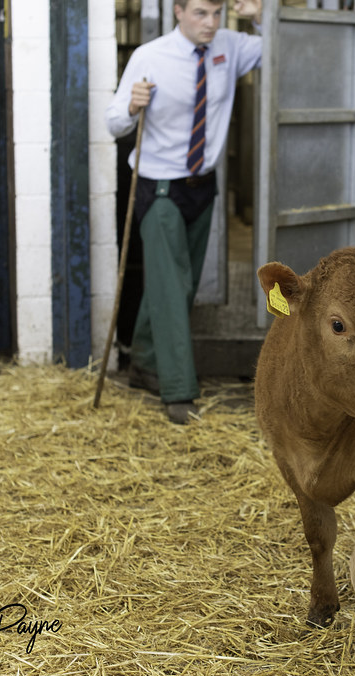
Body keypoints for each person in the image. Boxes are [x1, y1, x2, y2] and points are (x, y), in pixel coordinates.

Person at [105, 0, 262, 425]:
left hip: (202, 186)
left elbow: (280, 48)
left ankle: (143, 361)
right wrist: (132, 106)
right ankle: (178, 390)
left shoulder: (230, 45)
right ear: (177, 11)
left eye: (216, 13)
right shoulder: (149, 56)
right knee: (172, 286)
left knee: (179, 282)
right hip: (158, 189)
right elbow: (114, 122)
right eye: (199, 14)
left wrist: (259, 14)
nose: (210, 24)